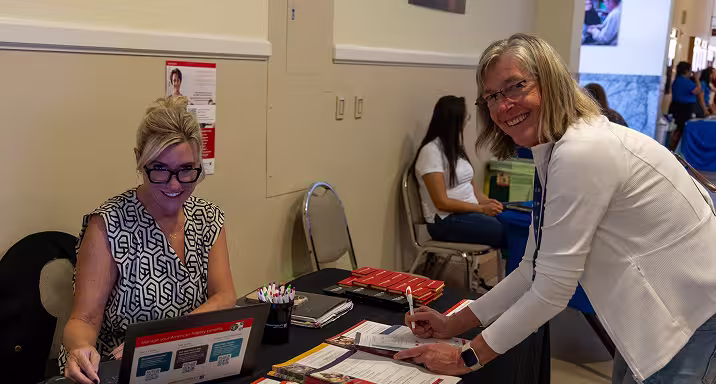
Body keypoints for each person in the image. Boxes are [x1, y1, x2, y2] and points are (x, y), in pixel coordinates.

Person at [395, 34, 716, 384]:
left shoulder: (582, 150)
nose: (503, 106)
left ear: (551, 81)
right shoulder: (556, 149)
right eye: (492, 97)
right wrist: (452, 324)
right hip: (657, 313)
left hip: (694, 311)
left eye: (515, 86)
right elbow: (531, 268)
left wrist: (466, 358)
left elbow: (551, 290)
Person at [60, 97, 237, 384]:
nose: (175, 184)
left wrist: (166, 336)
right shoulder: (108, 225)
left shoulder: (208, 217)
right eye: (160, 170)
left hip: (183, 363)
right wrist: (81, 349)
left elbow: (225, 296)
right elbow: (84, 320)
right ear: (139, 160)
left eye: (186, 170)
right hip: (113, 369)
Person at [414, 95, 505, 247]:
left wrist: (487, 202)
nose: (466, 122)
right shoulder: (430, 152)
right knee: (505, 230)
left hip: (469, 213)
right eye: (465, 118)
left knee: (516, 220)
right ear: (454, 122)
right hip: (446, 221)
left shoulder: (454, 148)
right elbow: (442, 203)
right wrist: (481, 208)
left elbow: (473, 191)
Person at [668, 61, 702, 150]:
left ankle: (671, 147)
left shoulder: (676, 80)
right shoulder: (686, 82)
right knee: (681, 129)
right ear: (686, 71)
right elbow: (698, 90)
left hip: (674, 106)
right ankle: (676, 149)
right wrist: (697, 78)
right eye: (690, 71)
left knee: (675, 129)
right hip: (684, 108)